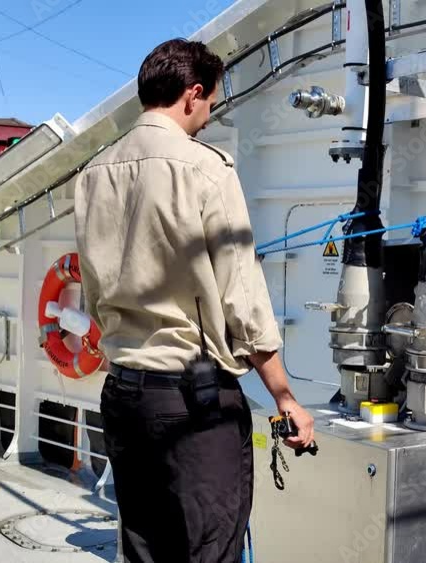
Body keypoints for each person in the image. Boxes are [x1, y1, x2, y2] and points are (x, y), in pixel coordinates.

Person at [74, 38, 315, 563]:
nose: (208, 117)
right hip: (192, 403)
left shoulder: (93, 174)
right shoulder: (207, 168)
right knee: (208, 550)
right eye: (209, 104)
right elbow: (242, 297)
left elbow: (94, 288)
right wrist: (284, 396)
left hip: (123, 394)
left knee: (143, 545)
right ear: (192, 94)